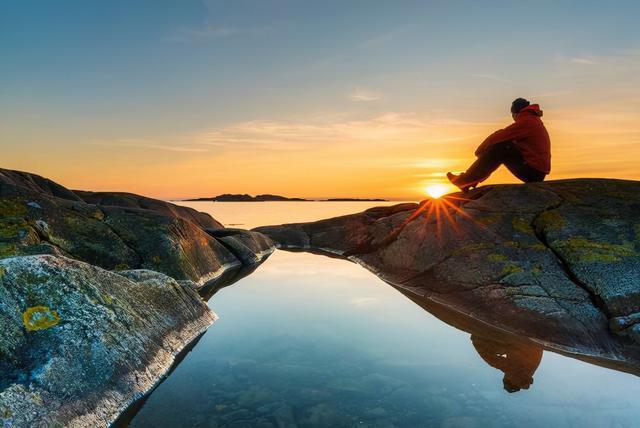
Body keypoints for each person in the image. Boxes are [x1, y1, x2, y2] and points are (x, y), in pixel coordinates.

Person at [447, 98, 551, 192]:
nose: (513, 118)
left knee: (502, 147)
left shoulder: (527, 122)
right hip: (536, 171)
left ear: (516, 113)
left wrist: (481, 149)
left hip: (533, 173)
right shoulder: (532, 120)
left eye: (512, 115)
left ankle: (464, 181)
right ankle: (468, 181)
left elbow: (501, 135)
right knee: (505, 146)